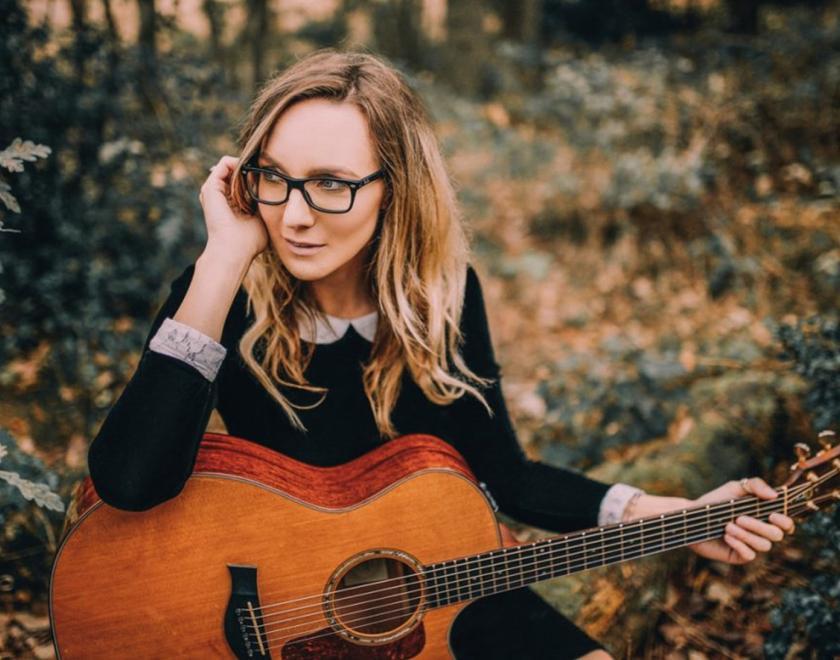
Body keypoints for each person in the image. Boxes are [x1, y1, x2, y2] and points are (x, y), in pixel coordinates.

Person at [87, 48, 795, 659]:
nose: (294, 215)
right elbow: (128, 481)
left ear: (394, 189)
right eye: (274, 177)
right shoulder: (225, 293)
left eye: (331, 184)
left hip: (435, 586)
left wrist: (675, 516)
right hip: (277, 612)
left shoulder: (444, 299)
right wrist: (222, 262)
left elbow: (505, 477)